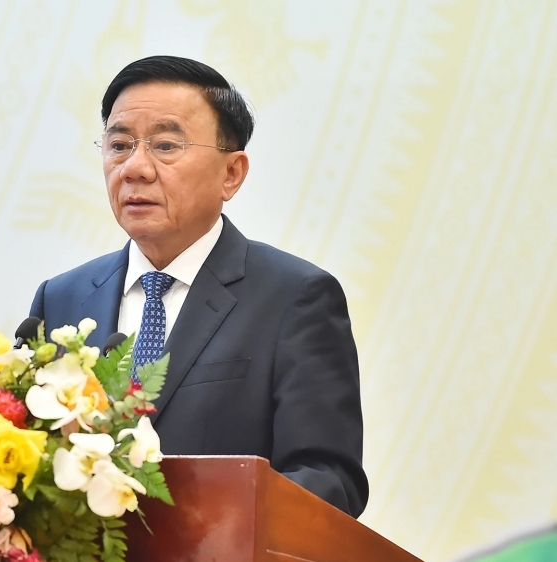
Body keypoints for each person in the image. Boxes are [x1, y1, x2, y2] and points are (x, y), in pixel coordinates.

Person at [28, 55, 368, 517]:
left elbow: (329, 480)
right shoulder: (60, 299)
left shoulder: (295, 298)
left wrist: (207, 528)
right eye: (119, 145)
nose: (135, 168)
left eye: (166, 145)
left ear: (231, 174)